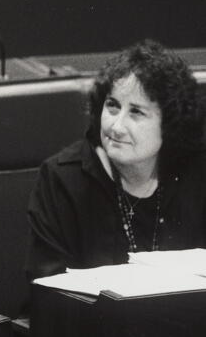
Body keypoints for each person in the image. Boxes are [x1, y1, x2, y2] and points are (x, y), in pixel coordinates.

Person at [26, 39, 206, 281]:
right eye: (112, 106)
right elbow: (47, 291)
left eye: (136, 112)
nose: (117, 126)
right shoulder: (62, 178)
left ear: (170, 124)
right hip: (89, 319)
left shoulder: (197, 170)